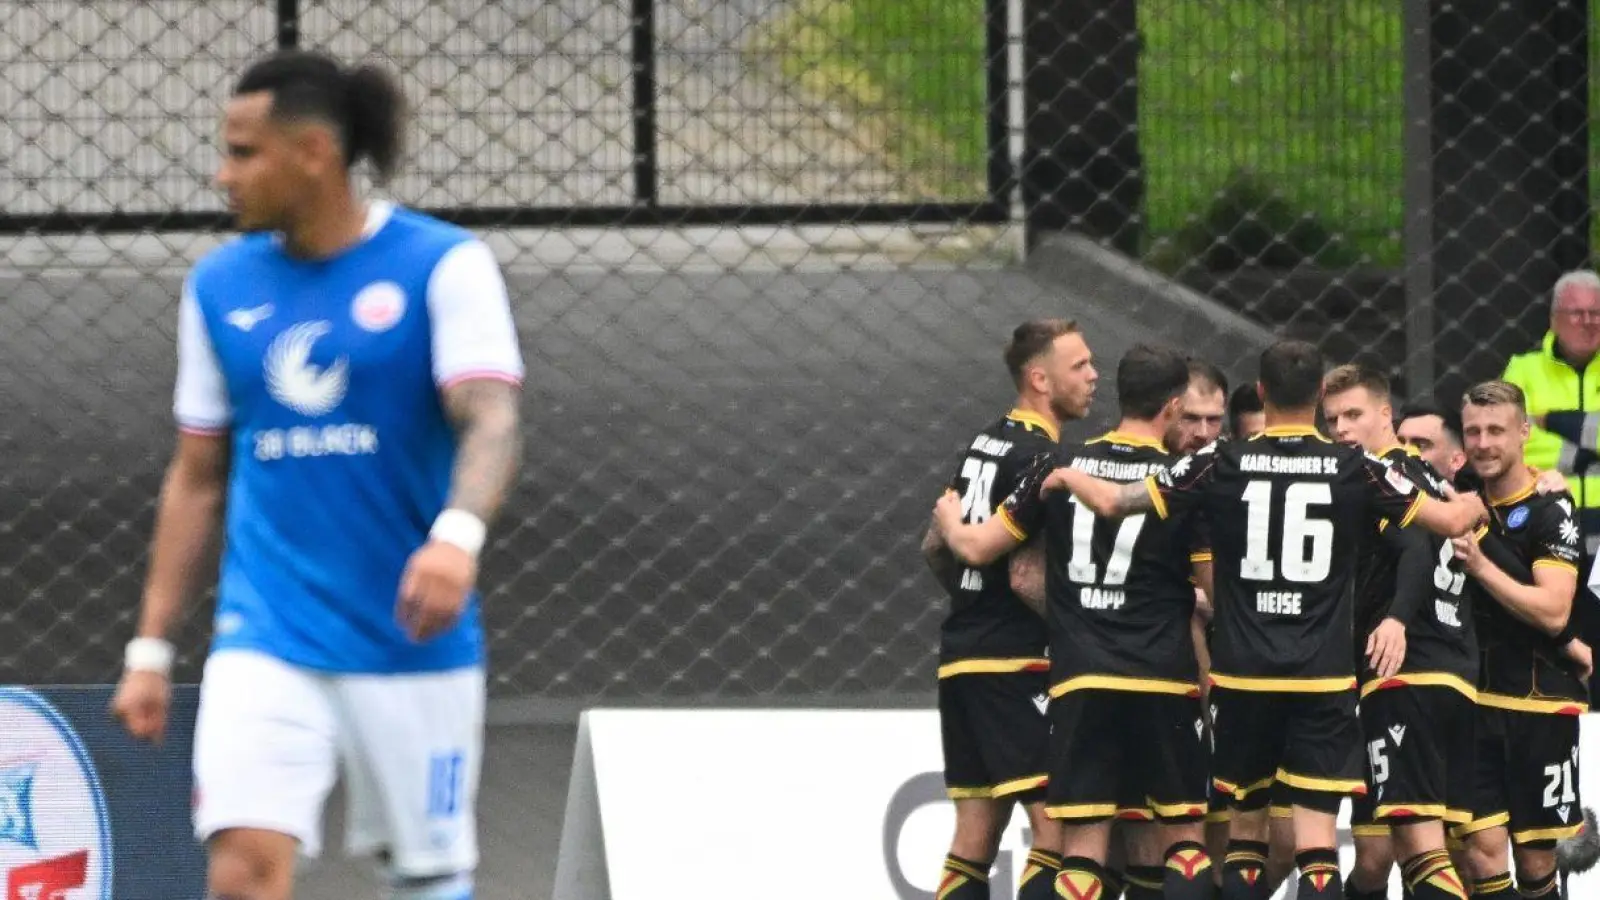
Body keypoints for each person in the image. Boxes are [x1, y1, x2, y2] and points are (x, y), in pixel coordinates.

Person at [109, 50, 524, 900]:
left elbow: (492, 418)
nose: (223, 175)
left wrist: (455, 539)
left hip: (409, 643)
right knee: (241, 870)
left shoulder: (443, 265)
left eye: (243, 152)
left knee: (426, 880)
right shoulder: (219, 287)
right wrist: (150, 648)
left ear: (314, 155)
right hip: (267, 635)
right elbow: (197, 474)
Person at [1045, 340, 1487, 900]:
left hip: (1243, 675)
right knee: (1317, 846)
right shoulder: (1355, 467)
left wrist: (1068, 479)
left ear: (1258, 393)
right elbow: (1448, 521)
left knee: (1246, 837)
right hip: (1321, 678)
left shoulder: (1219, 461)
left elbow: (1114, 502)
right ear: (1321, 394)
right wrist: (1472, 505)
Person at [934, 344, 1214, 900]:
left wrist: (949, 520)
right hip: (1162, 675)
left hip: (1081, 678)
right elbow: (1215, 588)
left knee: (1081, 845)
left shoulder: (1060, 464)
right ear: (1174, 406)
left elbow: (981, 547)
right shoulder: (1182, 478)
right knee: (1183, 839)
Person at [920, 318, 1095, 900]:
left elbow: (933, 546)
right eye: (1080, 366)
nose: (1094, 376)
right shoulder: (1044, 460)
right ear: (1040, 379)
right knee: (1058, 831)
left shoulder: (984, 443)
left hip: (961, 658)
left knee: (974, 835)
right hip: (1015, 662)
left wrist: (975, 599)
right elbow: (1024, 578)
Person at [1322, 366, 1476, 900]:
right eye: (1333, 419)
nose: (1341, 428)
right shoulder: (1431, 477)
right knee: (1398, 853)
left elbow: (1411, 548)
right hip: (1456, 671)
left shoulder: (1379, 476)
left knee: (1423, 854)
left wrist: (1396, 619)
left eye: (1354, 414)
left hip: (1405, 672)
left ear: (1386, 414)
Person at [1449, 381, 1591, 900]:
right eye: (1473, 431)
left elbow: (1554, 611)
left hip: (1539, 709)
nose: (1484, 442)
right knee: (1481, 852)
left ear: (1524, 432)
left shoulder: (1552, 508)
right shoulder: (1458, 495)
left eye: (1496, 430)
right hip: (1470, 703)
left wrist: (1482, 566)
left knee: (1536, 864)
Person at [1502, 270, 1600, 552]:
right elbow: (1512, 441)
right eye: (1577, 313)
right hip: (1546, 515)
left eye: (1595, 313)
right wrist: (1585, 455)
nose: (1588, 322)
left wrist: (1554, 422)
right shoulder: (1523, 370)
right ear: (1554, 320)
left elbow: (1530, 433)